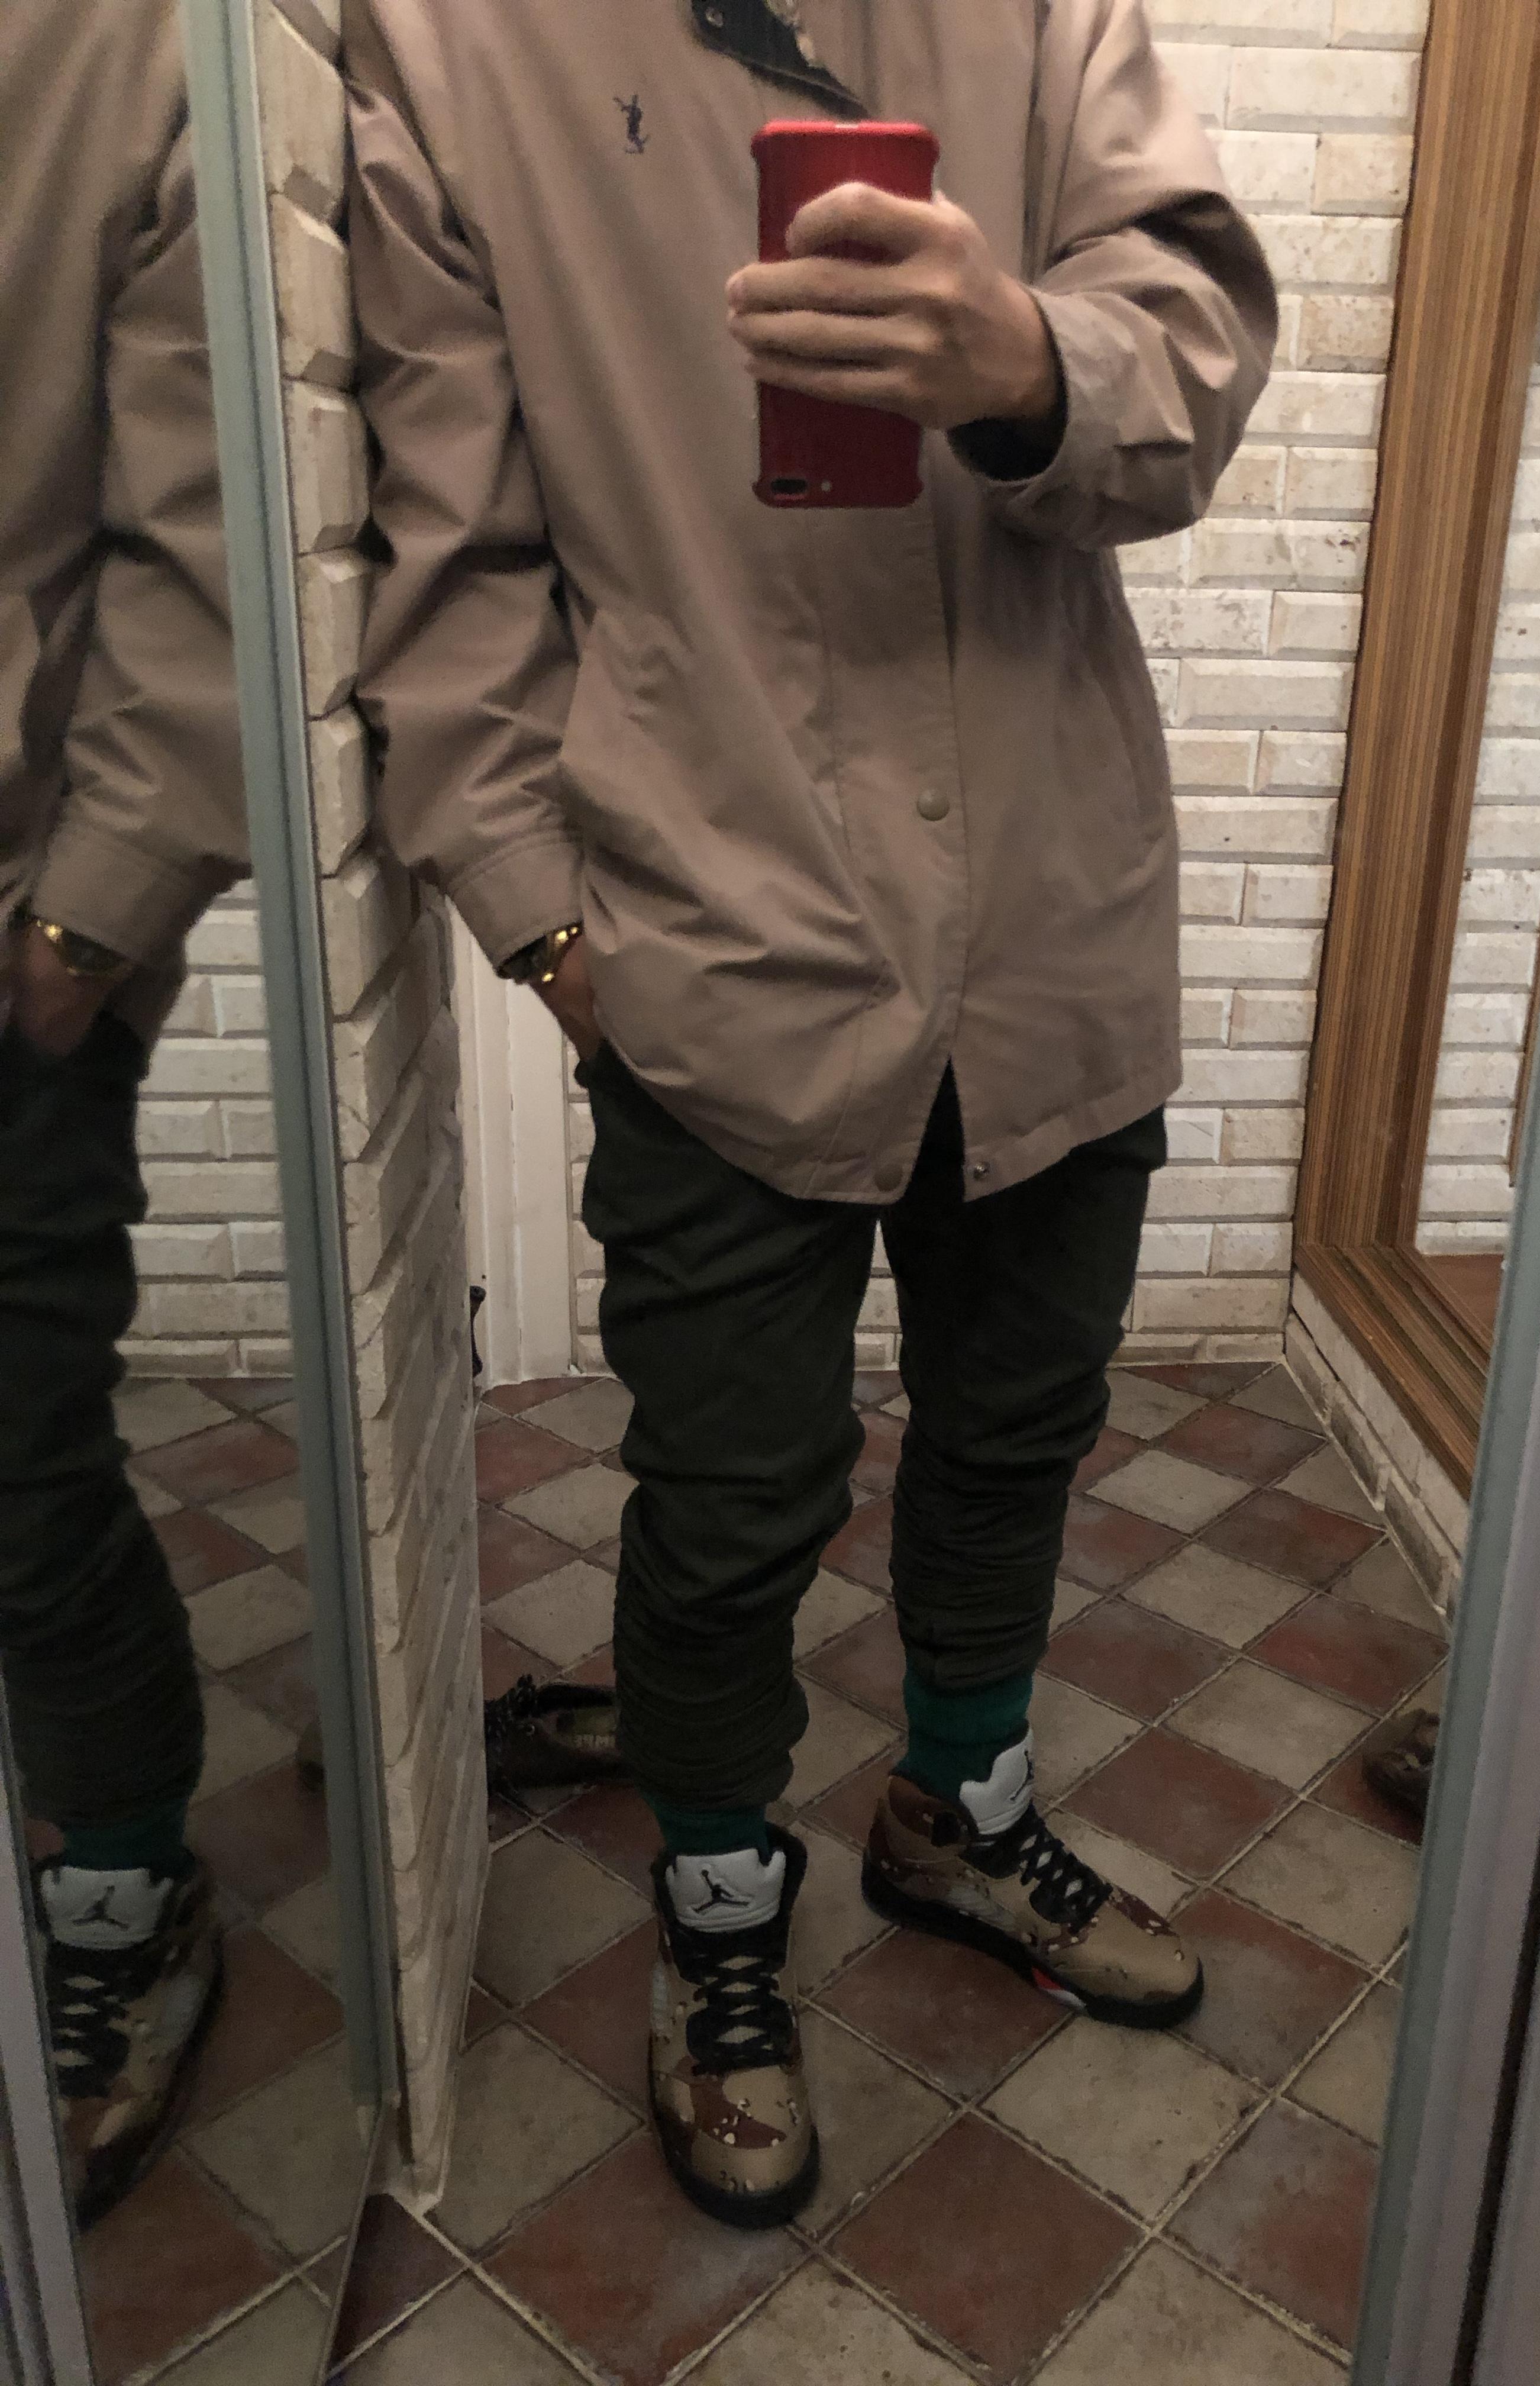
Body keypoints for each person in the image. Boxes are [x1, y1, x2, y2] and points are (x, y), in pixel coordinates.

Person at [347, 0, 1276, 2227]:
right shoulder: (454, 49)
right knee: (731, 1492)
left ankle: (959, 1808)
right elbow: (451, 572)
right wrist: (549, 932)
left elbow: (1192, 347)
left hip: (1053, 918)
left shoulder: (1043, 15)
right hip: (711, 939)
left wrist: (1030, 359)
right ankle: (720, 1907)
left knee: (1018, 1431)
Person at [0, 0, 247, 2226]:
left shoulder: (130, 37)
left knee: (11, 1461)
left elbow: (211, 530)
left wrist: (93, 912)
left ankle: (127, 1883)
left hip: (8, 928)